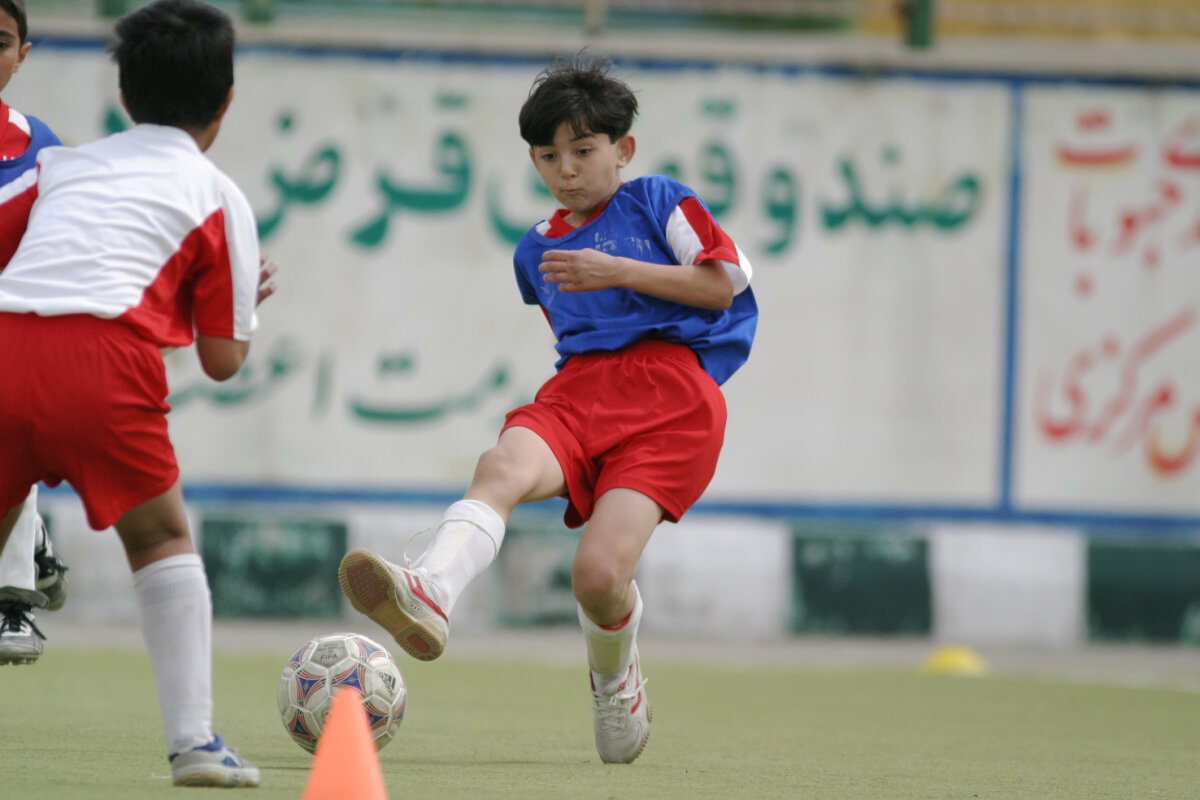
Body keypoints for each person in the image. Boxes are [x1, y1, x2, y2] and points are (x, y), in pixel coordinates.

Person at [339, 55, 757, 765]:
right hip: (582, 391)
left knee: (597, 578)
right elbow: (578, 337)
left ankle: (615, 680)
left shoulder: (661, 200)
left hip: (673, 400)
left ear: (623, 149)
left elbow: (722, 286)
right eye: (548, 156)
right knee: (499, 465)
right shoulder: (533, 249)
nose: (567, 170)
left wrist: (616, 270)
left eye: (583, 151)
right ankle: (432, 590)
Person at [0, 0, 275, 787]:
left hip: (6, 345)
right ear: (225, 102)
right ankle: (194, 743)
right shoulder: (218, 194)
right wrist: (235, 302)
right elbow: (222, 361)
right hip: (105, 363)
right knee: (158, 541)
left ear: (122, 94)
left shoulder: (62, 165)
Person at [0, 0, 72, 667]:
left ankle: (12, 601)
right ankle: (35, 542)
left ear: (22, 56)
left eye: (0, 42)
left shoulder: (41, 152)